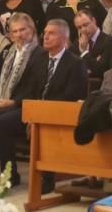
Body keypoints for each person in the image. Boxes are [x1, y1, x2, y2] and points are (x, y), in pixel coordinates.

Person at [28, 19, 89, 193]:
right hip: (38, 111)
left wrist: (45, 110)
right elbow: (31, 90)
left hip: (62, 112)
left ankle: (47, 178)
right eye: (45, 33)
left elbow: (73, 95)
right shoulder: (38, 59)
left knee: (44, 127)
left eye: (51, 33)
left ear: (64, 38)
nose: (45, 37)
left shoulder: (75, 63)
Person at [0, 13, 42, 184]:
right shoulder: (9, 51)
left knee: (2, 121)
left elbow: (34, 87)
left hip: (26, 104)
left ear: (31, 30)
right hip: (5, 100)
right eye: (15, 31)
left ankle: (11, 174)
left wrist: (14, 102)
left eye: (23, 30)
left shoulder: (39, 54)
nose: (19, 34)